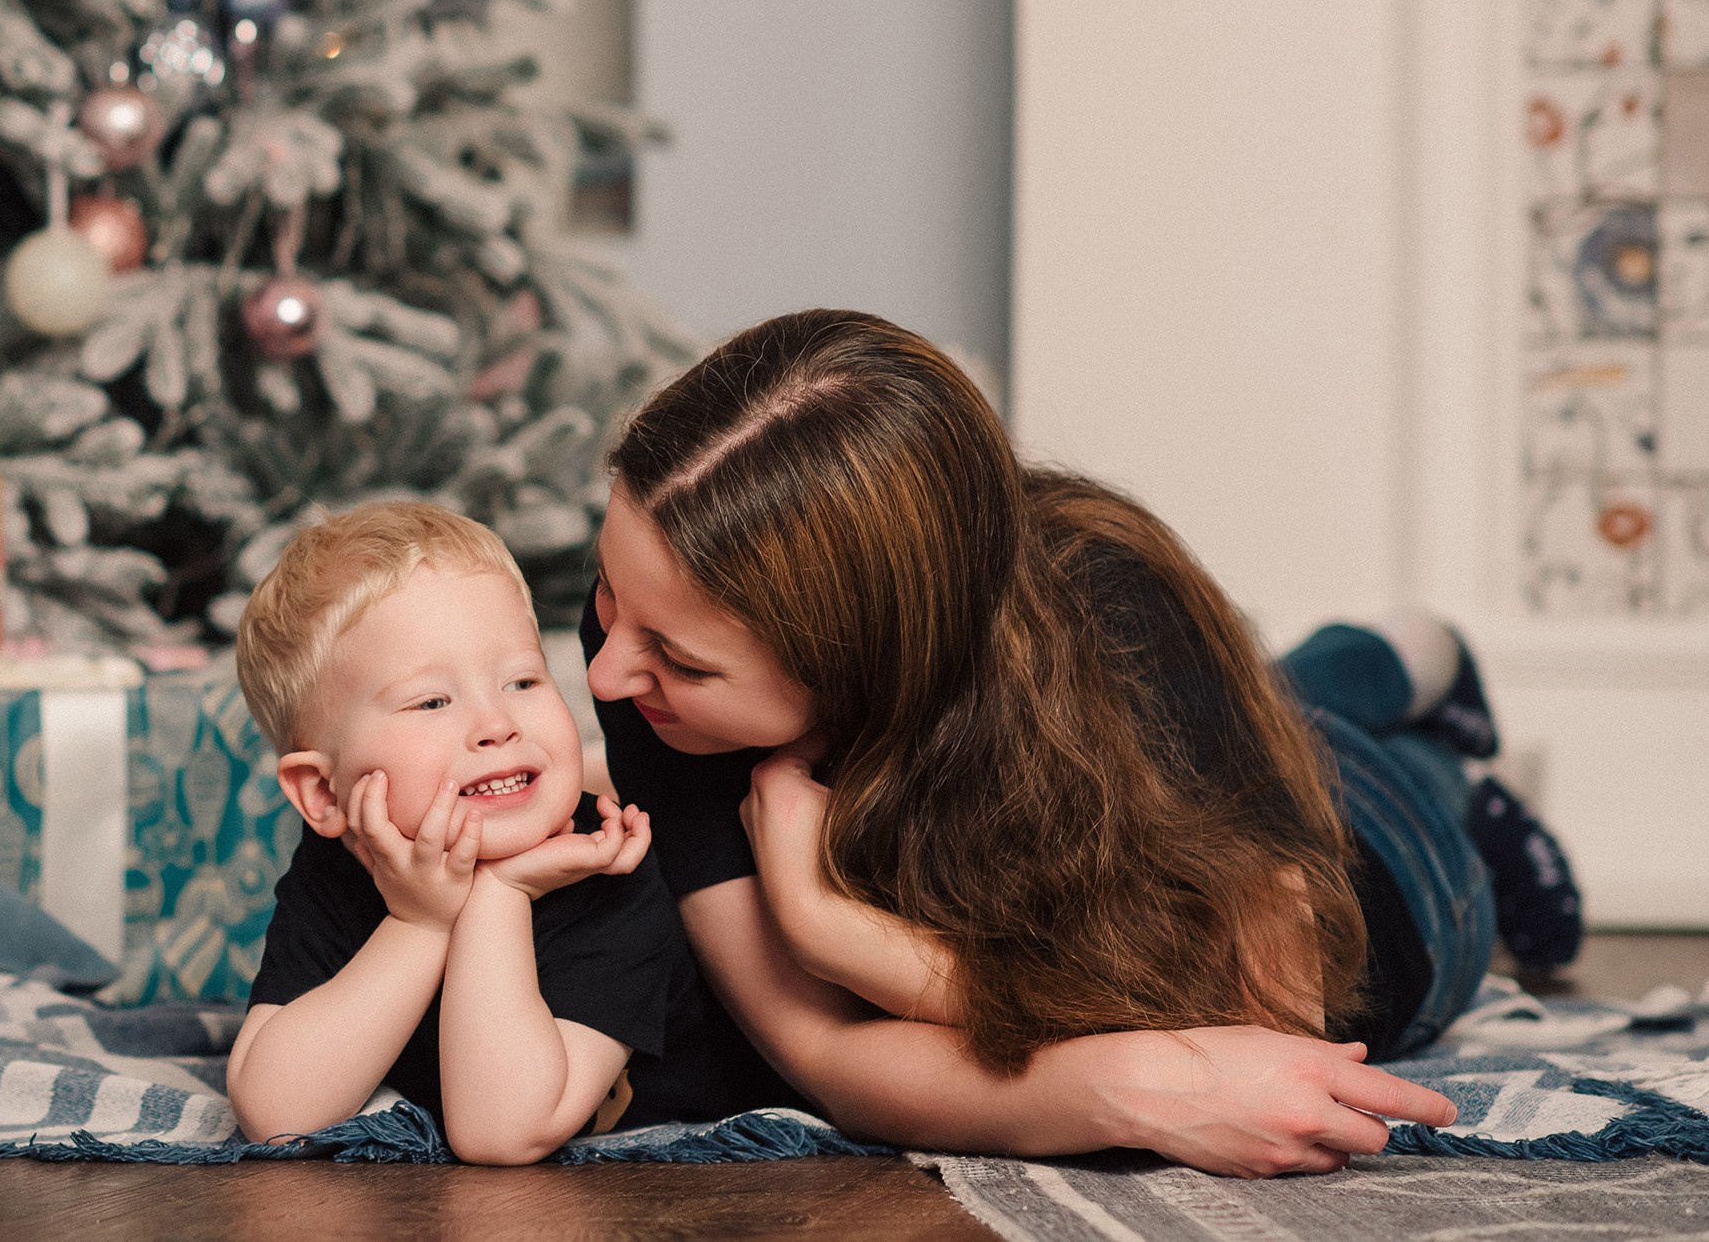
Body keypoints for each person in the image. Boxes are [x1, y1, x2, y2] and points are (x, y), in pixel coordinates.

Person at [581, 309, 1582, 1178]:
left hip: (1383, 876)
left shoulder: (1109, 615)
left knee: (1366, 757)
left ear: (863, 660)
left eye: (679, 657)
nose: (606, 674)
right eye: (604, 595)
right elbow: (823, 1053)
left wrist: (827, 926)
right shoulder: (651, 626)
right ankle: (1371, 658)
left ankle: (1438, 713)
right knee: (1272, 692)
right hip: (1179, 767)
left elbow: (1261, 1027)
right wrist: (1108, 1080)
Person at [226, 501, 798, 1163]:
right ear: (326, 793)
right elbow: (277, 1113)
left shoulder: (607, 864)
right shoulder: (342, 863)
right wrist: (418, 922)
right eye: (432, 701)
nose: (497, 722)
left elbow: (500, 1129)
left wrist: (499, 891)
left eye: (523, 679)